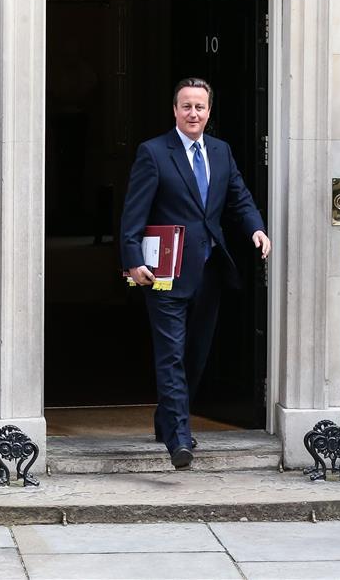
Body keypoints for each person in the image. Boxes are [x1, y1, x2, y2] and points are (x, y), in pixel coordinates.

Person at [120, 77, 271, 470]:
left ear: (209, 111)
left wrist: (255, 227)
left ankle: (165, 419)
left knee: (195, 356)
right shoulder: (153, 153)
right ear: (174, 110)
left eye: (200, 107)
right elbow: (133, 214)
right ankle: (180, 438)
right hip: (164, 275)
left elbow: (239, 197)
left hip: (210, 272)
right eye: (186, 106)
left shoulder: (221, 152)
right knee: (170, 354)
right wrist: (133, 260)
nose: (193, 113)